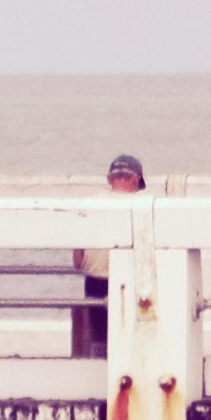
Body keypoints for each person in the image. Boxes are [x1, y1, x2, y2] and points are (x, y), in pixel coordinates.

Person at [72, 152, 147, 359]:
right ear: (136, 178)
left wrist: (82, 263)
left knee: (100, 338)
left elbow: (77, 257)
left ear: (109, 179)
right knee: (128, 337)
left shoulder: (89, 204)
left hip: (94, 280)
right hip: (129, 281)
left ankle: (99, 377)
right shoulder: (142, 205)